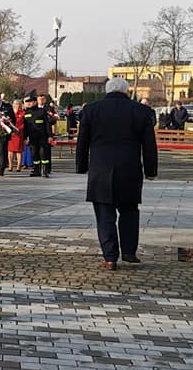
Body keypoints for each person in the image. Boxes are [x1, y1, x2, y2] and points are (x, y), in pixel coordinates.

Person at [75, 77, 158, 271]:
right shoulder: (141, 111)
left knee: (105, 215)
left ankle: (110, 257)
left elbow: (82, 142)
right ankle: (129, 251)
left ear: (107, 90)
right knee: (129, 211)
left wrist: (81, 166)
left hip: (100, 170)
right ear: (127, 91)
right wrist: (151, 170)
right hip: (129, 169)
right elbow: (149, 145)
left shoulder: (91, 110)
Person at [23, 92, 55, 178]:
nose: (29, 103)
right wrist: (25, 138)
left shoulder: (42, 112)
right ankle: (36, 170)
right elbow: (25, 127)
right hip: (32, 138)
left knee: (43, 153)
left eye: (31, 101)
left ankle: (45, 170)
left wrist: (50, 136)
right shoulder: (26, 113)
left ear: (35, 102)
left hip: (42, 137)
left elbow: (47, 125)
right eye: (28, 102)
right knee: (34, 154)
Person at [7, 98, 25, 172]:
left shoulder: (23, 113)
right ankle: (10, 166)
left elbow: (24, 123)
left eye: (19, 104)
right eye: (16, 104)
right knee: (10, 150)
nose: (18, 106)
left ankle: (18, 166)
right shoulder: (10, 112)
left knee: (19, 151)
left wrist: (19, 129)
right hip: (11, 134)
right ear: (13, 105)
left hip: (19, 134)